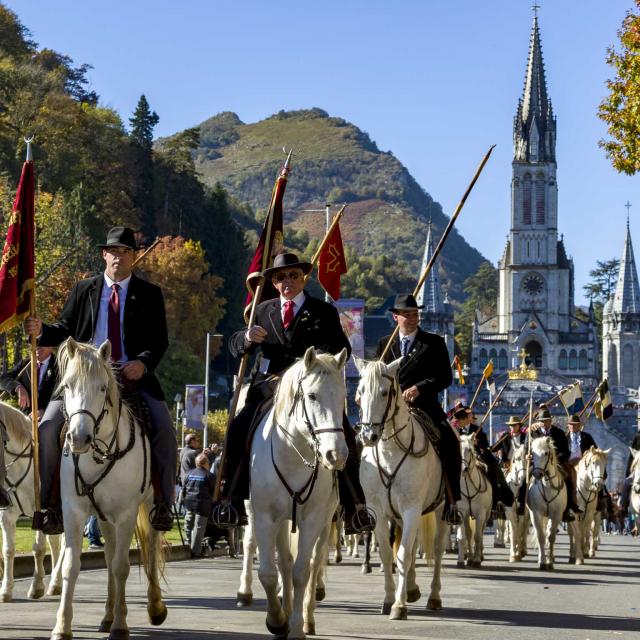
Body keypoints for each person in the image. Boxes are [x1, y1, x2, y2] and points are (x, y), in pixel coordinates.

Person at [24, 226, 177, 535]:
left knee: (164, 430)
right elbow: (64, 327)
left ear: (134, 256)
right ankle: (50, 504)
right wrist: (41, 330)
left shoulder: (150, 293)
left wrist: (143, 363)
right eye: (113, 251)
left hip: (129, 376)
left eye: (125, 251)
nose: (118, 257)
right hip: (83, 377)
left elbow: (159, 341)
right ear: (103, 255)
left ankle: (163, 503)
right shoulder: (84, 289)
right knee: (48, 426)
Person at [218, 252, 375, 535]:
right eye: (280, 277)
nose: (287, 281)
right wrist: (246, 338)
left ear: (303, 278)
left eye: (292, 275)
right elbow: (235, 345)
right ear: (275, 283)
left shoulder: (323, 311)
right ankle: (231, 500)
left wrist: (312, 367)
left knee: (346, 434)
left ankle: (355, 507)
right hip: (268, 388)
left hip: (311, 390)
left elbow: (343, 349)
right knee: (238, 429)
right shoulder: (262, 309)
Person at [375, 293, 462, 522]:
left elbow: (444, 377)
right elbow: (377, 377)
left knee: (451, 442)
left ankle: (453, 501)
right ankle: (362, 503)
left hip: (424, 407)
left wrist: (419, 388)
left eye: (415, 314)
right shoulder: (385, 344)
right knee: (360, 441)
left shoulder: (433, 342)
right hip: (389, 409)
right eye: (407, 315)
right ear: (396, 317)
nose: (413, 318)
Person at [0, 346, 59, 509]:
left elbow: (64, 394)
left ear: (51, 346)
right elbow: (3, 378)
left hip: (51, 422)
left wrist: (46, 410)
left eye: (42, 344)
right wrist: (17, 387)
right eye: (34, 344)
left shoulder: (59, 366)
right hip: (23, 422)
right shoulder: (26, 363)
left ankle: (55, 496)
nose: (37, 348)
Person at [453, 406, 514, 509]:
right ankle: (452, 503)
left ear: (465, 420)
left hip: (478, 456)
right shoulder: (457, 431)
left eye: (459, 421)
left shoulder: (477, 430)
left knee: (492, 471)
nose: (458, 423)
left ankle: (494, 503)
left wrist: (477, 443)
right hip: (463, 457)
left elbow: (485, 445)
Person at [530, 407, 581, 520]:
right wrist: (527, 455)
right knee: (523, 477)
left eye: (545, 420)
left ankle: (568, 507)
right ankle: (521, 503)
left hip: (556, 464)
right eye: (541, 421)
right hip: (537, 463)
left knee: (568, 477)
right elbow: (527, 448)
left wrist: (556, 460)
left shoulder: (559, 433)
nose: (543, 423)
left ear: (550, 421)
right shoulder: (534, 434)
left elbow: (566, 452)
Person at [181, 452, 216, 558]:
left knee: (188, 524)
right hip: (202, 504)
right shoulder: (210, 475)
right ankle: (195, 552)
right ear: (206, 464)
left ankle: (189, 545)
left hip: (189, 503)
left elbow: (184, 488)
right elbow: (213, 491)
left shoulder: (188, 473)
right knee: (199, 528)